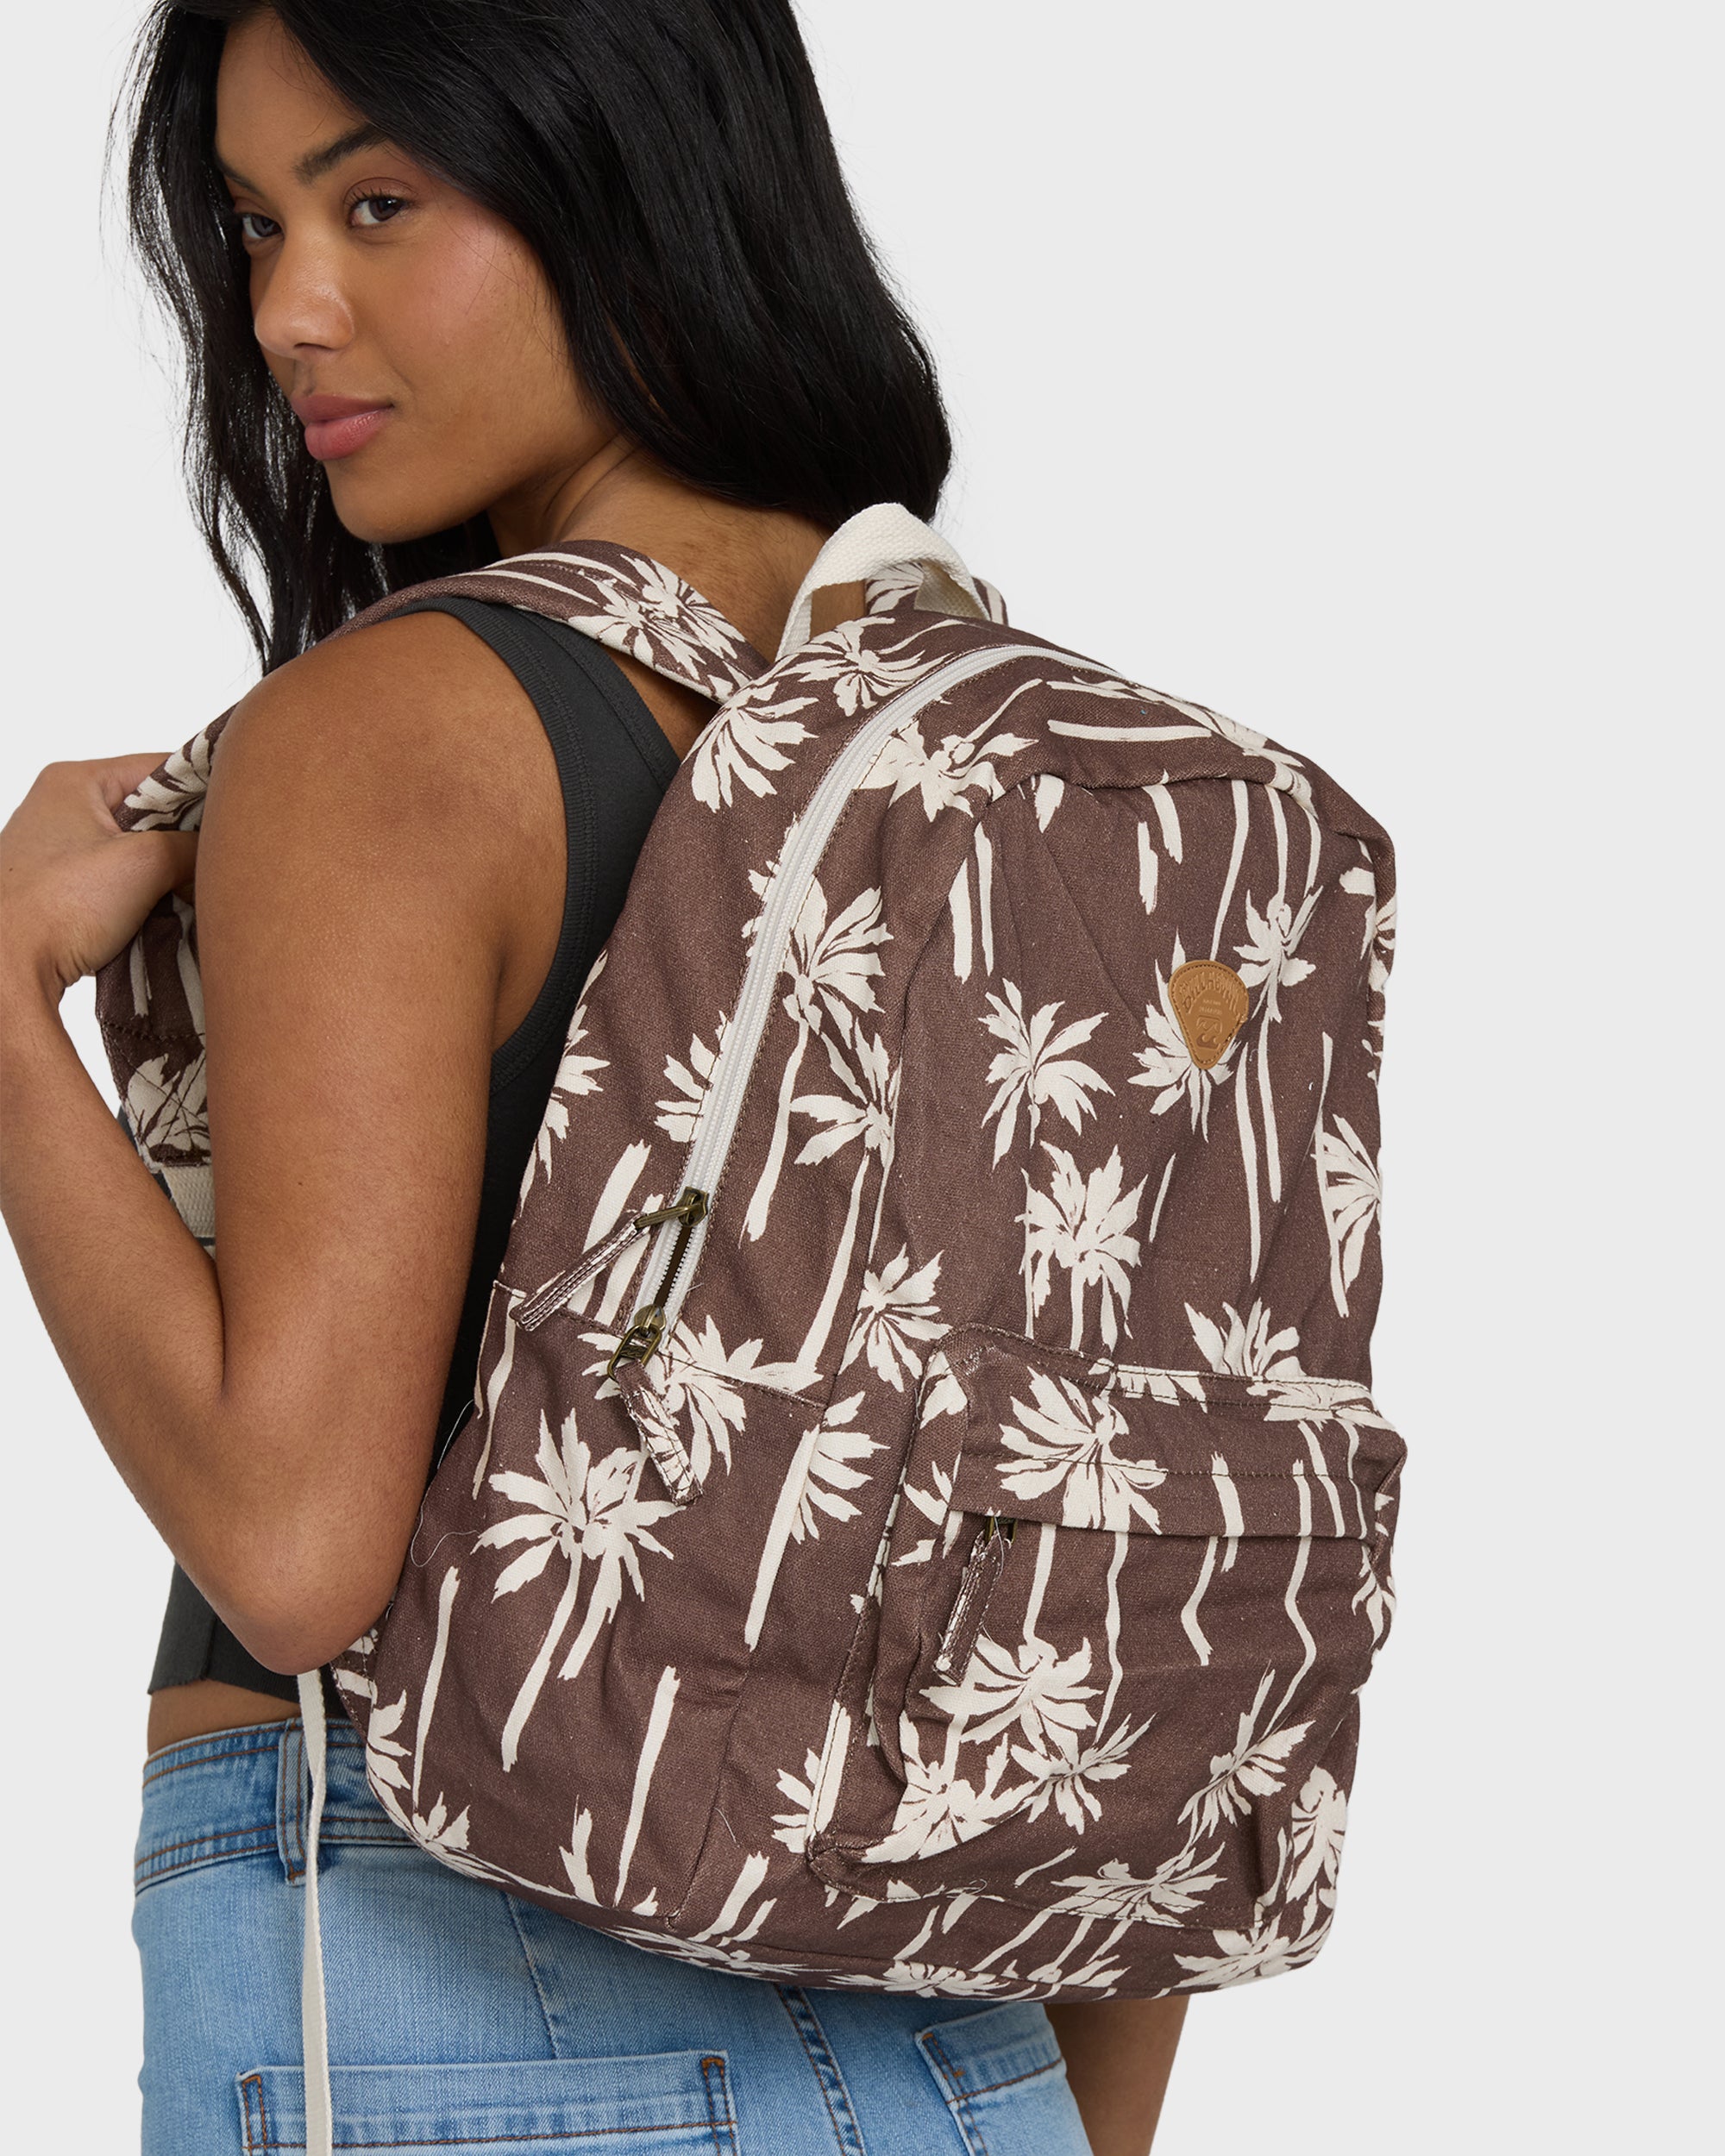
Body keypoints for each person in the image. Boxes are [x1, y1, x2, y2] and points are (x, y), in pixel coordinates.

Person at [0, 3, 1189, 2152]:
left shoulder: (391, 729)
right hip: (981, 2041)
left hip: (449, 1982)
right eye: (254, 225)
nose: (286, 309)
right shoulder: (1030, 770)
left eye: (379, 202)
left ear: (622, 175)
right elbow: (1120, 1571)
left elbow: (297, 1552)